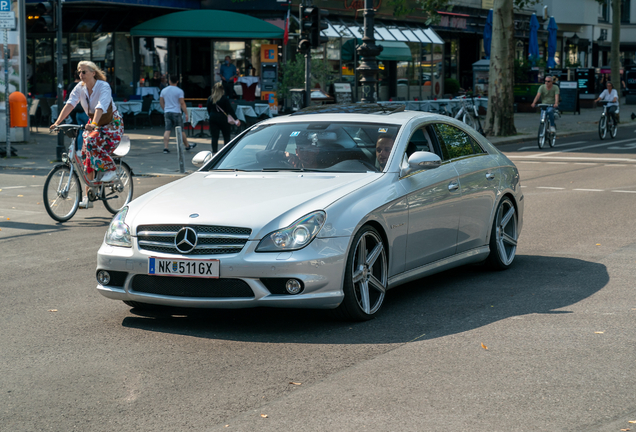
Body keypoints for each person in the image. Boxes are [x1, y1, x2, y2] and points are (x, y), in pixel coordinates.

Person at [50, 61, 123, 209]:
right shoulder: (80, 88)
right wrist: (57, 122)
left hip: (111, 125)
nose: (81, 75)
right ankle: (88, 196)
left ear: (93, 73)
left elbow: (100, 106)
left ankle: (110, 169)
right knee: (86, 157)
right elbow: (70, 104)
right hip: (94, 124)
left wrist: (94, 124)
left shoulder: (103, 86)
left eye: (84, 72)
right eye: (79, 72)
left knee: (91, 142)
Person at [159, 74, 195, 154]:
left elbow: (161, 101)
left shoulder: (164, 90)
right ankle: (187, 145)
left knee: (167, 130)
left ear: (169, 81)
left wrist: (164, 109)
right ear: (177, 81)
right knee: (181, 130)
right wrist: (186, 113)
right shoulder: (179, 91)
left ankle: (166, 147)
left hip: (167, 112)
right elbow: (182, 103)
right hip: (176, 112)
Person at [206, 82, 240, 154]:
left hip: (213, 118)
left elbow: (208, 109)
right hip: (223, 119)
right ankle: (226, 152)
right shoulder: (224, 98)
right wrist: (236, 119)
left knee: (214, 137)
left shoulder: (210, 99)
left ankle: (214, 152)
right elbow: (229, 109)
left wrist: (212, 115)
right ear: (222, 90)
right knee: (226, 136)